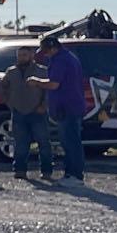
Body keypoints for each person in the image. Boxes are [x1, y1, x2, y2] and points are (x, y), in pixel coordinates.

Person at [38, 34, 89, 186]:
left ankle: (75, 175)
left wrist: (37, 82)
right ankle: (70, 174)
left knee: (71, 142)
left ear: (53, 47)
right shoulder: (69, 57)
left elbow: (54, 84)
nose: (45, 54)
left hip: (68, 107)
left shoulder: (61, 60)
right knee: (70, 141)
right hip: (71, 106)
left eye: (46, 50)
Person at [0, 43, 52, 180]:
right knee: (20, 143)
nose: (22, 58)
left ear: (32, 56)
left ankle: (46, 171)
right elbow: (2, 86)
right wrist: (9, 102)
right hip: (18, 112)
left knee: (43, 142)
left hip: (37, 112)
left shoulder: (42, 71)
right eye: (19, 55)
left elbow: (49, 90)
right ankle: (20, 170)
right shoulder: (11, 72)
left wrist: (44, 105)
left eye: (25, 55)